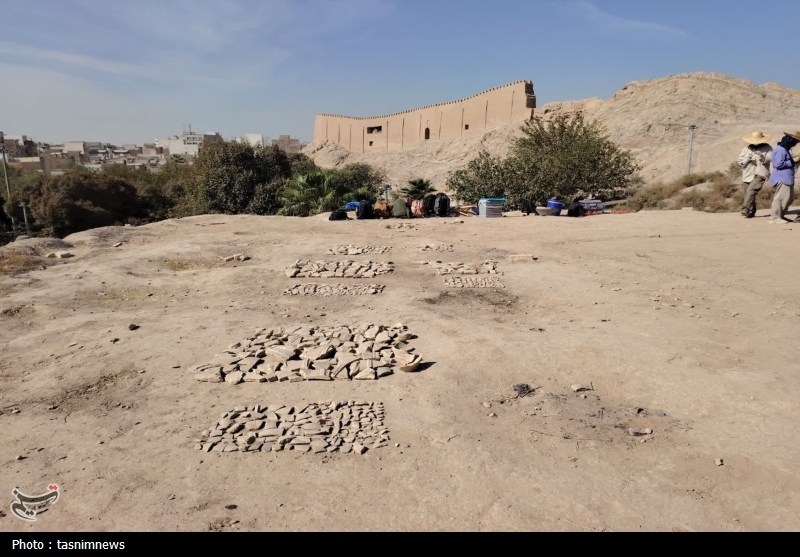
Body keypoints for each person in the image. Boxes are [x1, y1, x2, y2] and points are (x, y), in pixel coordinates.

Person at [737, 131, 772, 218]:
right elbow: (740, 162)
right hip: (747, 173)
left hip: (761, 173)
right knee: (747, 193)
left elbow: (770, 158)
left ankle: (745, 208)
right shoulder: (746, 149)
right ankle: (751, 212)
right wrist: (747, 158)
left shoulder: (767, 147)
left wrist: (761, 157)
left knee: (751, 190)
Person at [769, 131, 800, 223]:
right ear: (789, 140)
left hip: (787, 177)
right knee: (780, 198)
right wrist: (794, 161)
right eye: (795, 142)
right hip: (782, 178)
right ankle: (775, 217)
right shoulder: (780, 150)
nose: (795, 144)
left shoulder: (785, 149)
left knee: (788, 198)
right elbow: (778, 164)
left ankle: (780, 216)